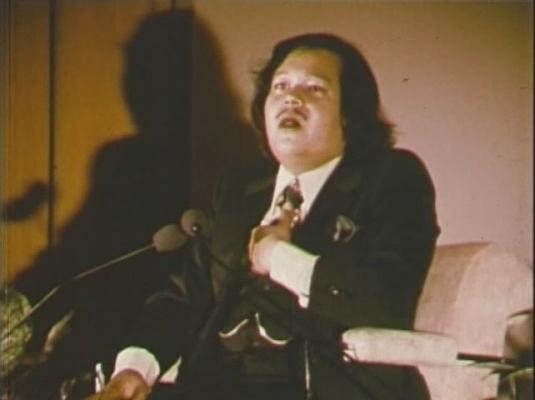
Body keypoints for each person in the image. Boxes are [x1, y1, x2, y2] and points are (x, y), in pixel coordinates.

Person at [95, 33, 440, 400]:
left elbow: (389, 300)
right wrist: (133, 369)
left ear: (349, 115)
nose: (292, 97)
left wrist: (278, 257)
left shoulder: (392, 177)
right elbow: (182, 300)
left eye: (315, 88)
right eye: (281, 86)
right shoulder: (237, 190)